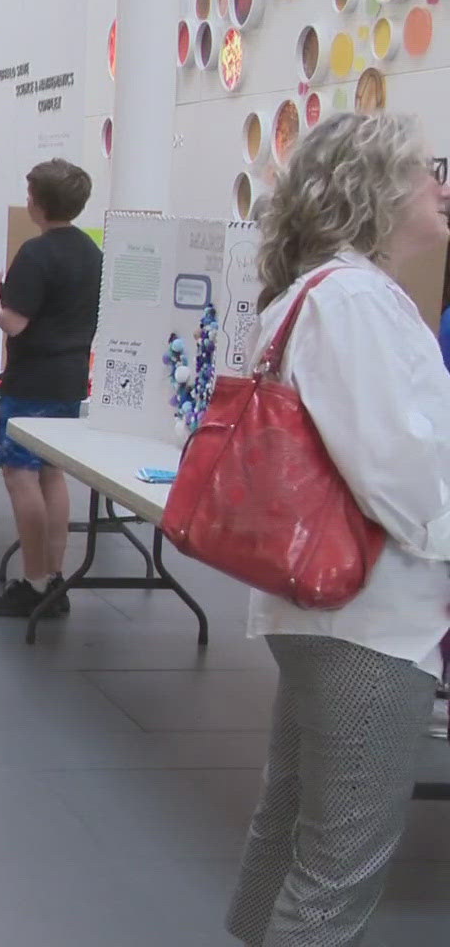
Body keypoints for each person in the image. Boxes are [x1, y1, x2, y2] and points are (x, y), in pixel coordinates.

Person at [206, 113, 450, 945]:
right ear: (373, 189)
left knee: (294, 819)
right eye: (428, 169)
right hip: (372, 616)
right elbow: (396, 469)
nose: (442, 186)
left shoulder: (316, 294)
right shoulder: (356, 301)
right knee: (341, 863)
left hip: (322, 605)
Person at [0, 159, 102, 619]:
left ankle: (33, 581)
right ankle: (54, 577)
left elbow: (14, 321)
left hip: (32, 379)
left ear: (39, 202)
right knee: (52, 473)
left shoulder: (36, 253)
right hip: (69, 378)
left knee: (21, 474)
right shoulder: (91, 253)